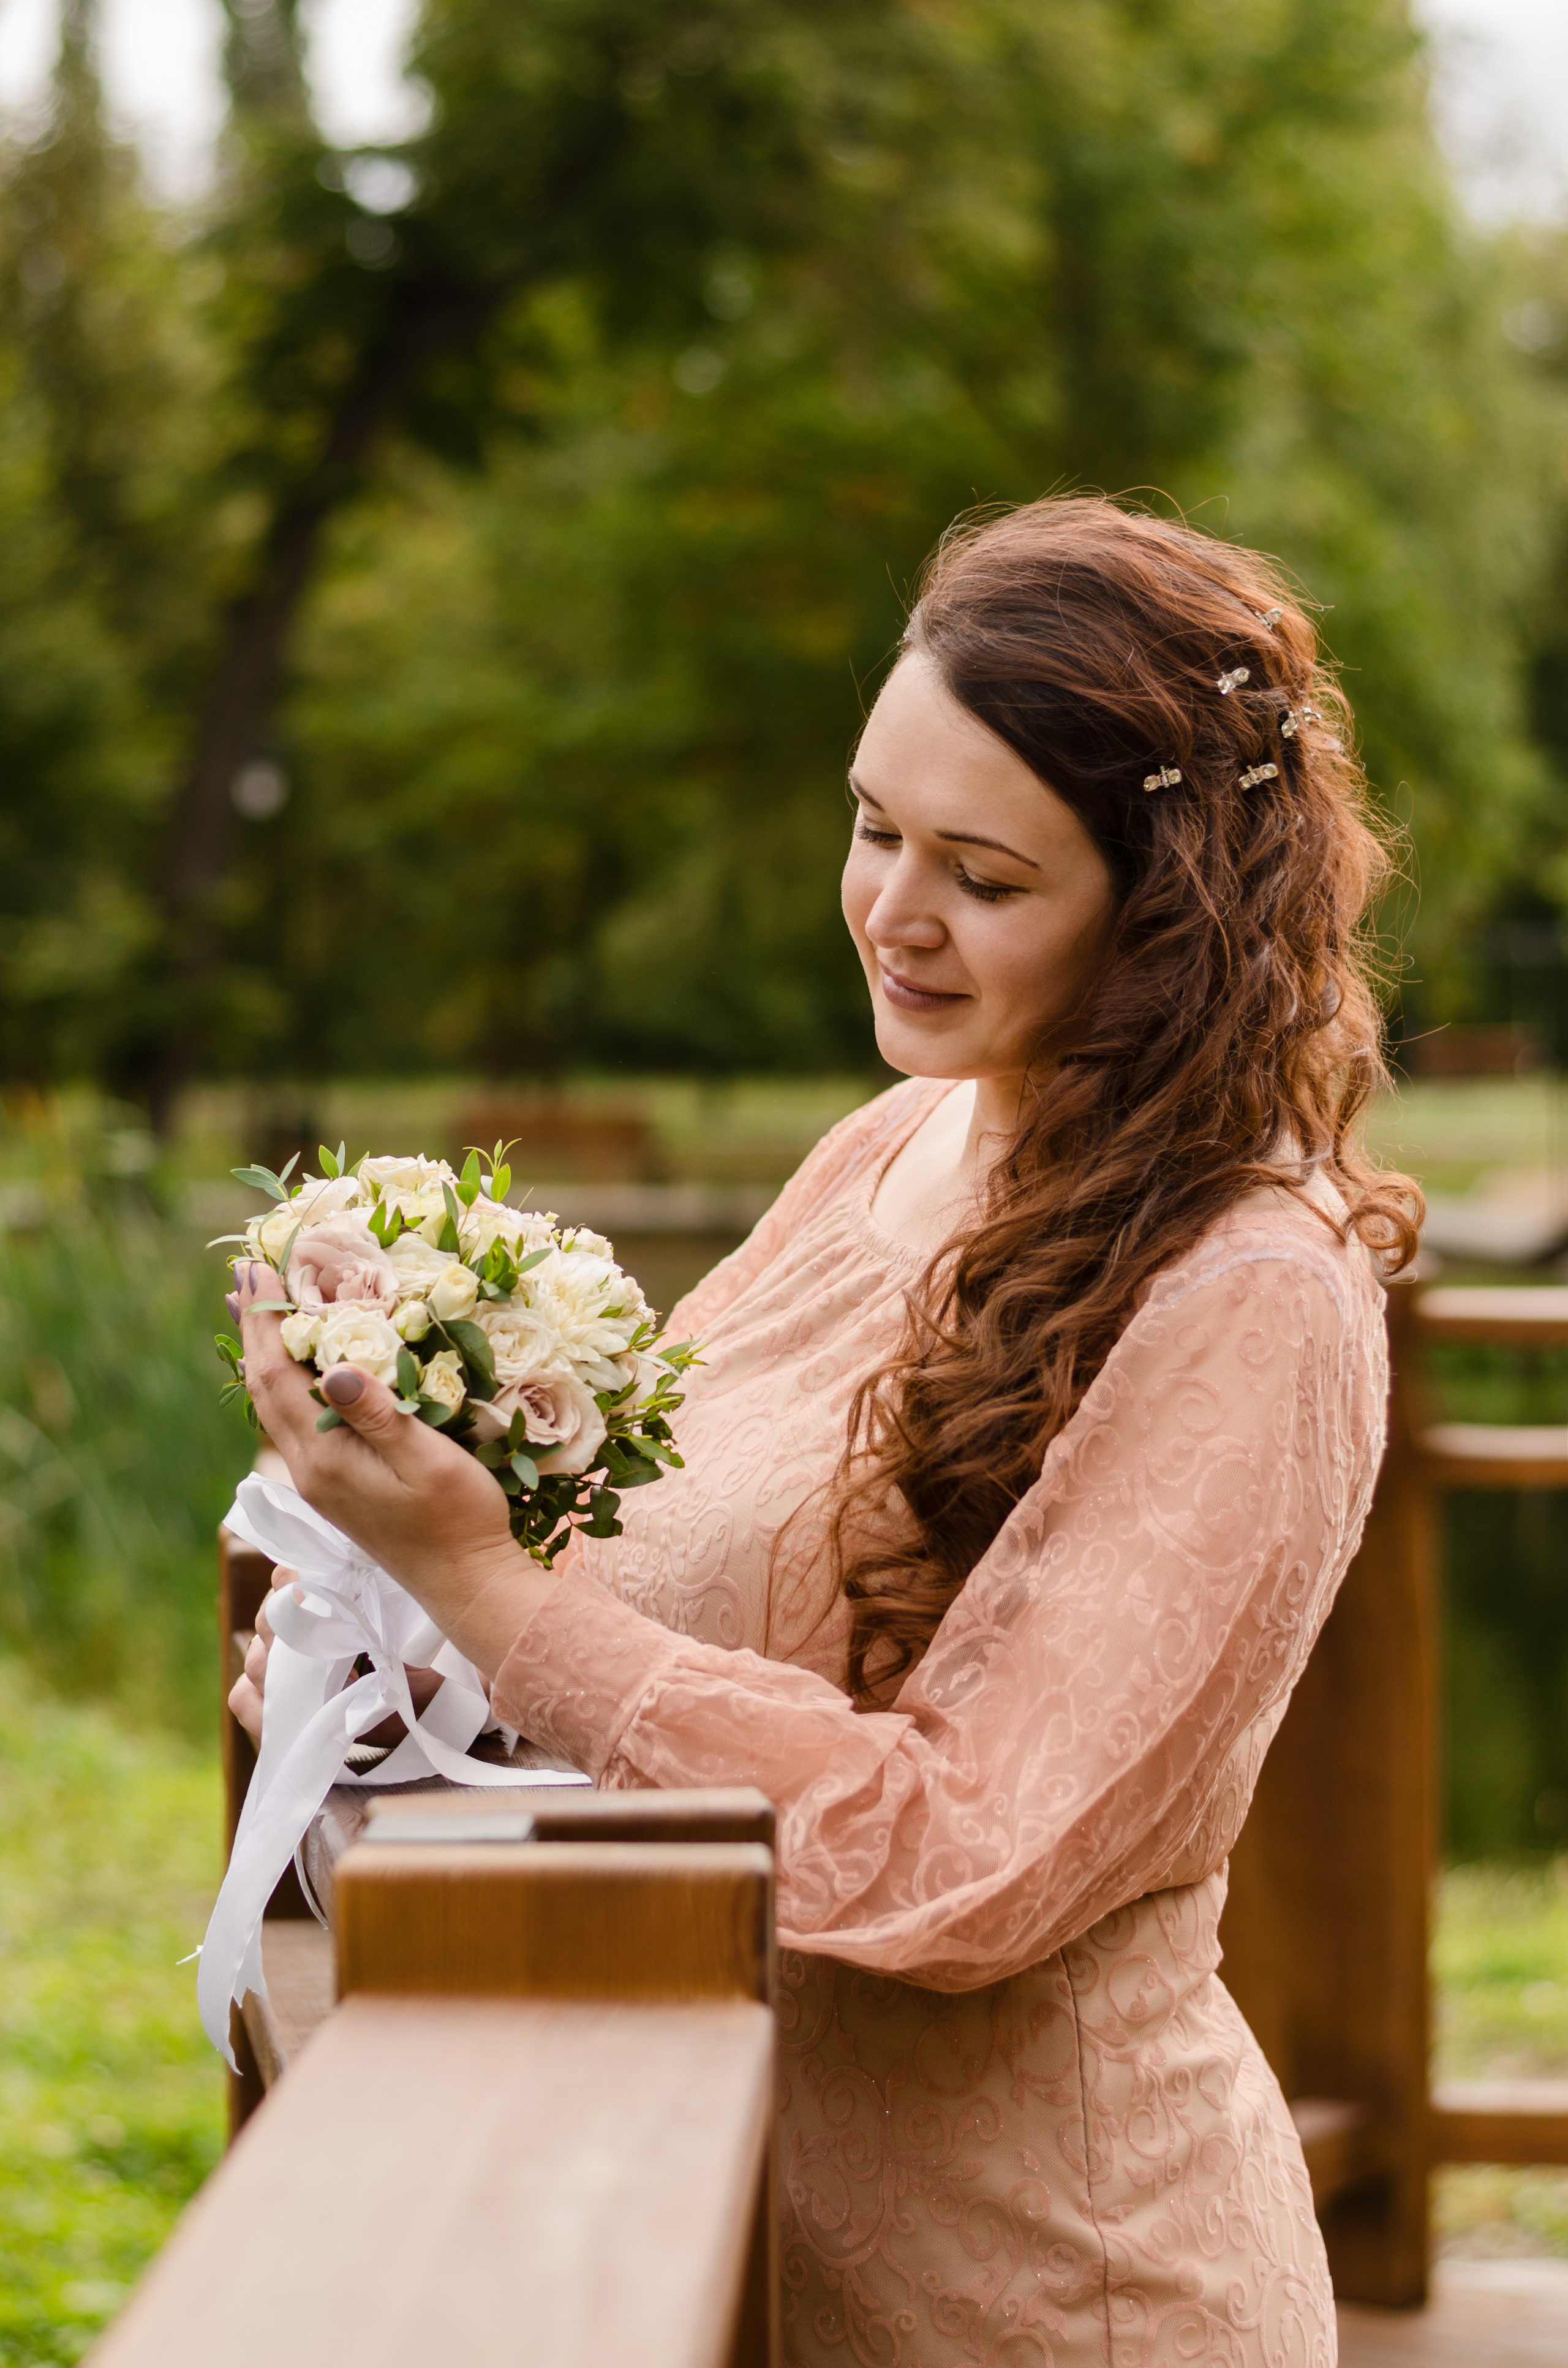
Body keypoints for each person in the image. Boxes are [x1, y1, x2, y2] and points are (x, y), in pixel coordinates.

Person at [232, 496, 1418, 2368]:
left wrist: (479, 1584)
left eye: (987, 874)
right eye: (875, 827)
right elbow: (635, 1605)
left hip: (1050, 2294)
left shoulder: (1252, 1291)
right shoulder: (890, 1142)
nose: (893, 910)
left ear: (1169, 913)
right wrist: (392, 1637)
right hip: (739, 2244)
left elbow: (964, 1857)